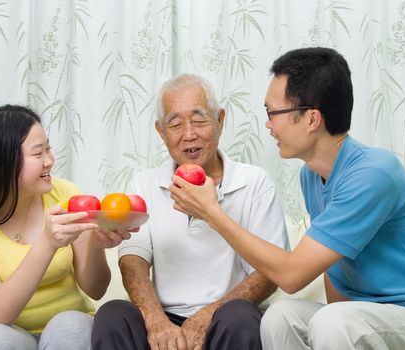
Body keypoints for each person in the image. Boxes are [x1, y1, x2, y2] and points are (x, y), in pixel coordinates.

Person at [168, 48, 405, 350]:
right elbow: (332, 267)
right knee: (280, 317)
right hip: (368, 316)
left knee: (335, 322)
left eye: (272, 113)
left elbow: (291, 275)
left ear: (312, 119)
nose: (268, 124)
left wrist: (212, 212)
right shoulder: (312, 175)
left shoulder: (373, 173)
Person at [91, 74, 289, 350]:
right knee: (113, 314)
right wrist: (156, 322)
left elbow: (269, 274)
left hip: (226, 316)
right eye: (175, 124)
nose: (189, 134)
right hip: (164, 317)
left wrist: (207, 315)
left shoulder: (255, 182)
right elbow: (133, 262)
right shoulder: (144, 183)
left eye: (199, 120)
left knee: (240, 318)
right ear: (161, 132)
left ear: (220, 121)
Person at [0, 104, 131, 349]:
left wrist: (96, 244)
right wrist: (47, 243)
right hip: (8, 333)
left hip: (69, 332)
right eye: (38, 153)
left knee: (69, 326)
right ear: (2, 164)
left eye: (48, 149)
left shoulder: (66, 195)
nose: (49, 161)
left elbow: (96, 289)